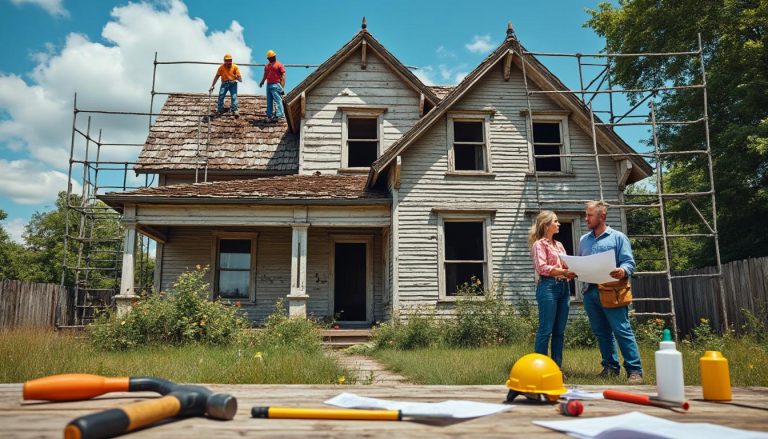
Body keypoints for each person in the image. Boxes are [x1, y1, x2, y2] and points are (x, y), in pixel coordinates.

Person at [579, 200, 644, 384]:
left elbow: (629, 263)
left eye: (590, 215)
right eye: (586, 215)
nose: (586, 218)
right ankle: (610, 367)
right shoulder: (584, 240)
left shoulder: (618, 237)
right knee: (601, 333)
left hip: (613, 291)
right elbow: (581, 262)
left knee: (622, 330)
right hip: (590, 292)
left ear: (603, 216)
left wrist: (622, 270)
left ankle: (635, 370)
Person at [528, 211, 575, 369]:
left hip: (564, 288)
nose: (559, 224)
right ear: (546, 225)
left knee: (559, 331)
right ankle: (540, 369)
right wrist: (563, 271)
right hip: (548, 287)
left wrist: (574, 269)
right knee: (545, 329)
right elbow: (542, 268)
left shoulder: (559, 245)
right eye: (556, 221)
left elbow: (566, 265)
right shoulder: (539, 245)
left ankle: (556, 369)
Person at [259, 49, 286, 122]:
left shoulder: (279, 65)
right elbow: (265, 75)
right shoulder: (267, 66)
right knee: (269, 101)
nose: (272, 58)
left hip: (276, 84)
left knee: (277, 100)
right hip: (269, 85)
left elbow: (283, 75)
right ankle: (269, 115)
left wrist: (282, 87)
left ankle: (280, 115)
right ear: (269, 58)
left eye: (273, 57)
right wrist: (262, 82)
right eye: (271, 57)